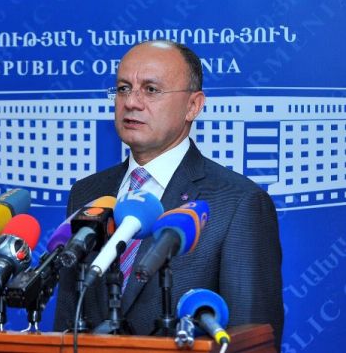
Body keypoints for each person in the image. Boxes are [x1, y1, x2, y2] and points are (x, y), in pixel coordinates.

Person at [53, 40, 284, 350]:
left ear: (193, 106)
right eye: (123, 88)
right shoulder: (88, 192)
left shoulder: (238, 202)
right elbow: (67, 322)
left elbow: (251, 338)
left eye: (151, 90)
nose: (131, 102)